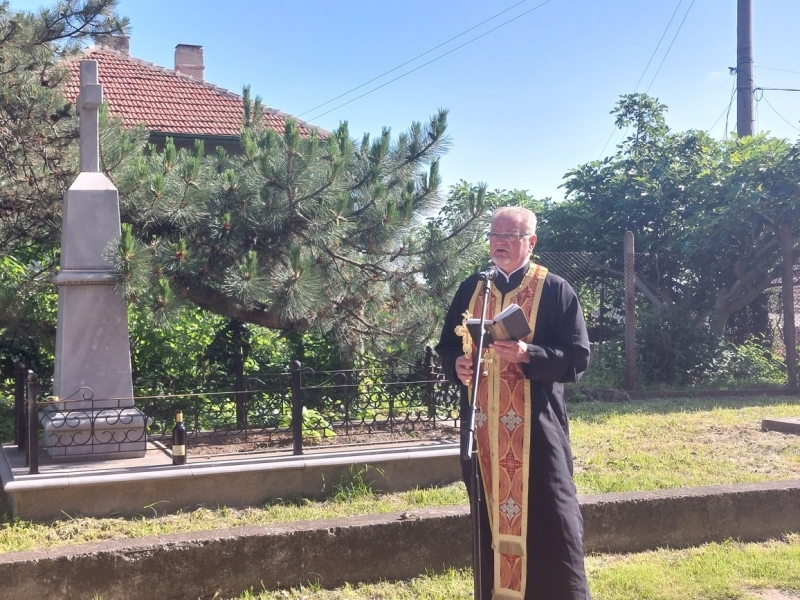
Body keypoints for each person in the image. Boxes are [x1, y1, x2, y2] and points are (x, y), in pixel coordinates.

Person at [435, 206, 591, 600]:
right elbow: (448, 344)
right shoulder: (473, 288)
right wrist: (458, 365)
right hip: (483, 433)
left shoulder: (555, 289)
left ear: (531, 242)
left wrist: (527, 354)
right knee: (489, 526)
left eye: (510, 236)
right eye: (494, 235)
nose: (500, 243)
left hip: (537, 432)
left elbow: (577, 357)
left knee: (553, 518)